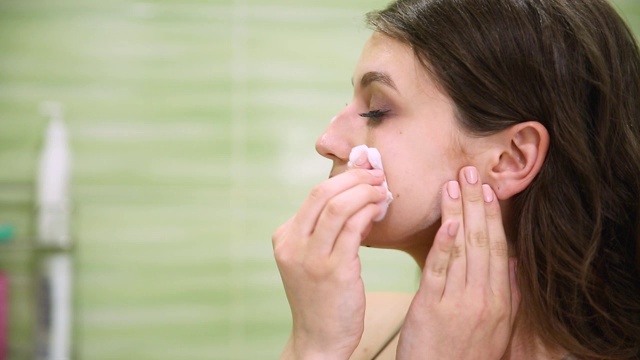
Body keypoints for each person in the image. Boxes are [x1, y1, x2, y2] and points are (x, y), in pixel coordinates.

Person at [272, 0, 640, 358]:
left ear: (512, 159)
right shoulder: (355, 333)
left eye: (376, 110)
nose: (327, 142)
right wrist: (312, 346)